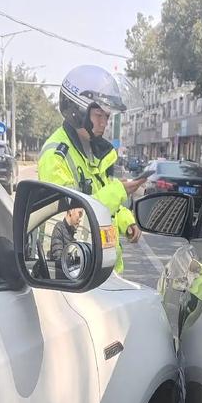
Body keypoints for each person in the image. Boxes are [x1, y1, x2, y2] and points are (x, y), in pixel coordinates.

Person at [38, 65, 146, 274]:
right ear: (77, 112)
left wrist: (126, 222)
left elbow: (101, 198)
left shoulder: (94, 151)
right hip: (77, 269)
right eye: (99, 115)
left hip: (100, 268)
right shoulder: (56, 156)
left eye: (107, 116)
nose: (105, 122)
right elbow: (74, 216)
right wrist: (119, 191)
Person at [49, 207, 83, 277]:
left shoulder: (72, 235)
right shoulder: (59, 227)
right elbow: (58, 258)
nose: (80, 219)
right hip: (59, 276)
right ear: (70, 211)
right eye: (79, 214)